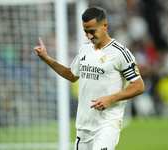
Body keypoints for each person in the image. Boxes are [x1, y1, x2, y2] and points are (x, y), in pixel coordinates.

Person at [34, 6, 145, 150]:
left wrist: (111, 98)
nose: (88, 36)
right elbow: (72, 75)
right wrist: (47, 59)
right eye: (85, 32)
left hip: (107, 124)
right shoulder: (85, 49)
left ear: (105, 26)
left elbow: (139, 86)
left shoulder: (120, 53)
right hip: (84, 125)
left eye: (92, 31)